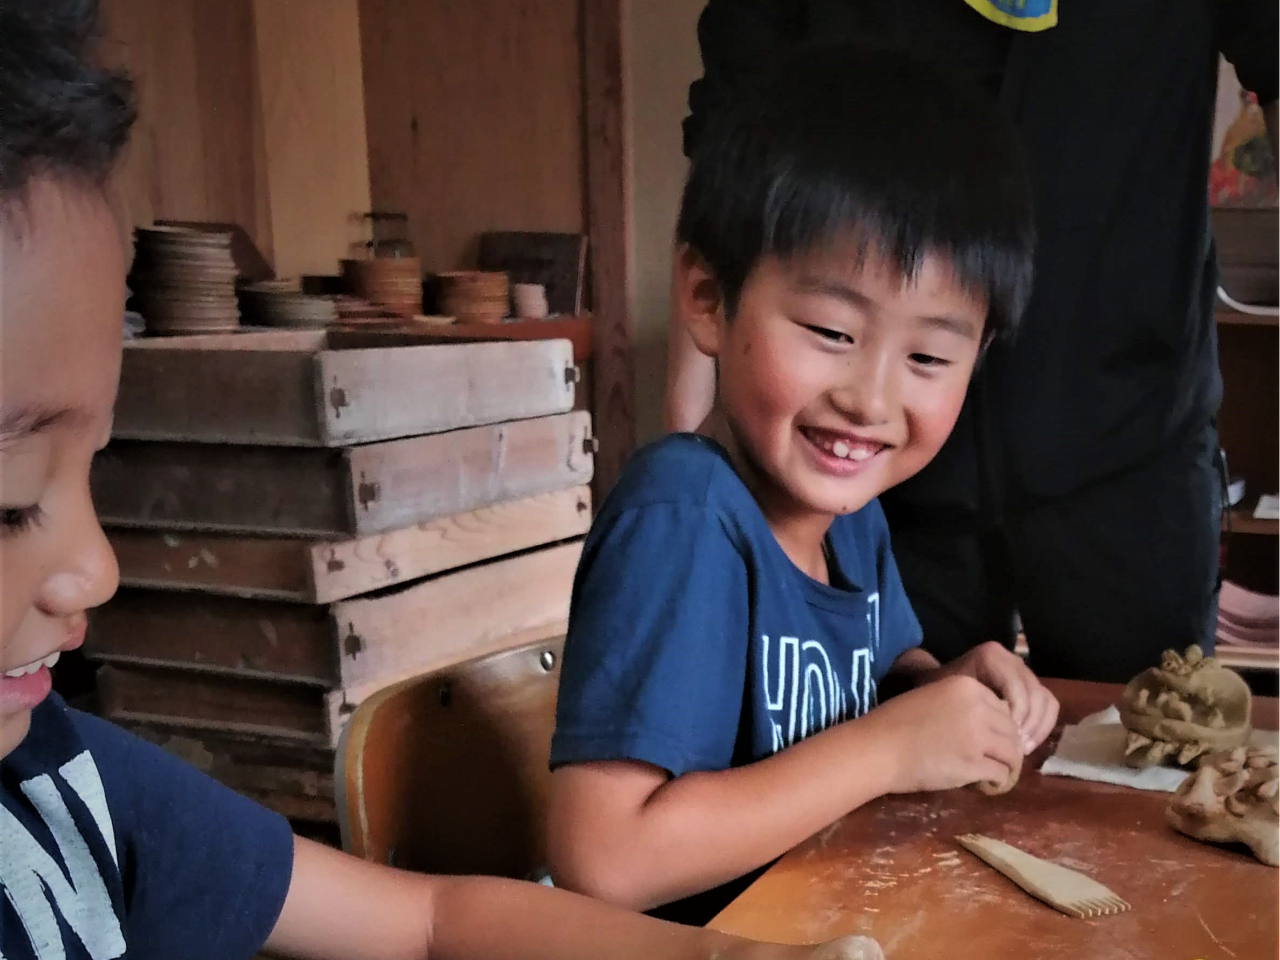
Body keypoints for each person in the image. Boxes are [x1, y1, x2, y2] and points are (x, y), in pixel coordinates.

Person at [0, 5, 886, 959]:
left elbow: (429, 922)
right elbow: (610, 851)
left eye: (93, 470)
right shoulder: (683, 505)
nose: (95, 566)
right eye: (11, 505)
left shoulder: (66, 781)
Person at [546, 44, 1059, 924]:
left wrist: (945, 689)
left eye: (930, 356)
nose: (870, 399)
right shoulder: (686, 519)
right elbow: (605, 857)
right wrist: (890, 752)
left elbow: (872, 677)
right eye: (829, 329)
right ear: (709, 300)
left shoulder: (847, 516)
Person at [666, 0, 1279, 685]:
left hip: (1132, 436)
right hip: (869, 482)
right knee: (865, 740)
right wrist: (693, 466)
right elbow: (725, 150)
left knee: (1154, 752)